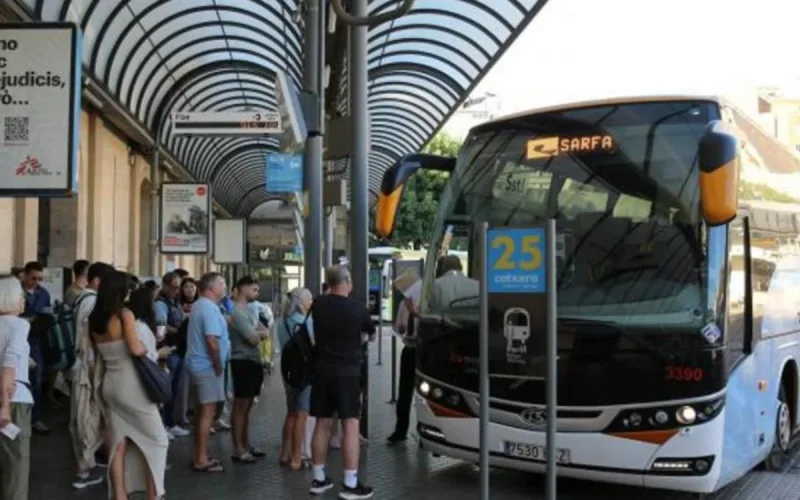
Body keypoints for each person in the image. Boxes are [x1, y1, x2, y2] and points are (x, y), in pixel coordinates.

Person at [89, 271, 168, 500]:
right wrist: (145, 347)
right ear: (120, 291)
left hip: (110, 384)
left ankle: (120, 495)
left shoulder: (95, 320)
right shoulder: (125, 315)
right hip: (131, 384)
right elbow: (135, 349)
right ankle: (154, 495)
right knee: (157, 440)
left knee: (118, 444)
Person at [309, 265, 375, 499]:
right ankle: (350, 483)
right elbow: (370, 331)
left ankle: (318, 479)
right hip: (348, 373)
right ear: (347, 281)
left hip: (322, 371)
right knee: (350, 425)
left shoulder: (318, 305)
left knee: (322, 424)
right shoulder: (356, 308)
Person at [70, 261, 115, 490]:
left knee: (87, 416)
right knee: (87, 416)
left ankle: (86, 463)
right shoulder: (91, 302)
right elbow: (88, 339)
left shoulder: (80, 299)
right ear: (97, 281)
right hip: (87, 367)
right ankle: (83, 469)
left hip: (82, 365)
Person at [185, 272, 230, 473]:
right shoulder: (209, 309)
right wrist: (218, 364)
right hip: (207, 366)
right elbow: (211, 340)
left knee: (203, 412)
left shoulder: (201, 305)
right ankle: (201, 459)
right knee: (207, 413)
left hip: (199, 364)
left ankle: (200, 453)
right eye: (222, 283)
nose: (225, 286)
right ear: (212, 288)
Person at [228, 276, 269, 463]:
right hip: (242, 361)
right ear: (243, 289)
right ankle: (238, 448)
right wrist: (259, 334)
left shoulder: (250, 310)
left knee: (248, 406)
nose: (256, 293)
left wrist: (258, 333)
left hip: (253, 361)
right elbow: (253, 338)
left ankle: (246, 443)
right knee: (240, 405)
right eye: (253, 289)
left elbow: (262, 331)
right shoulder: (237, 313)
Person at [0, 276, 33, 500]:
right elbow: (9, 364)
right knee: (15, 466)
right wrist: (5, 405)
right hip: (14, 398)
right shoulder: (20, 325)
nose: (24, 299)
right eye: (21, 295)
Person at [278, 287, 314, 470]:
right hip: (304, 372)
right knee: (302, 414)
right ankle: (296, 457)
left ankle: (284, 453)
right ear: (302, 303)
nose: (312, 302)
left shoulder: (283, 321)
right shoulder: (306, 323)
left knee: (291, 412)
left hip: (288, 373)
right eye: (309, 299)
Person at [387, 268, 423, 445]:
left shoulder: (426, 303)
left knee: (423, 393)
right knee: (404, 391)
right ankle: (400, 430)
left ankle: (424, 430)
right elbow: (399, 325)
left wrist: (415, 312)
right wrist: (400, 329)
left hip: (423, 350)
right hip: (409, 348)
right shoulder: (403, 305)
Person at [155, 272, 189, 439]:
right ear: (165, 285)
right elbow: (161, 325)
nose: (177, 291)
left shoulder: (174, 302)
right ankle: (164, 424)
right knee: (166, 390)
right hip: (169, 350)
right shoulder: (161, 304)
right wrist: (177, 330)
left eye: (178, 288)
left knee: (175, 390)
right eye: (174, 287)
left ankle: (170, 422)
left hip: (178, 349)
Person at [21, 261, 51, 435]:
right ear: (25, 275)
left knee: (36, 380)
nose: (36, 282)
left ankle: (35, 418)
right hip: (18, 340)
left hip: (35, 340)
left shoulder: (44, 293)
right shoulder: (16, 292)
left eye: (40, 278)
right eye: (33, 278)